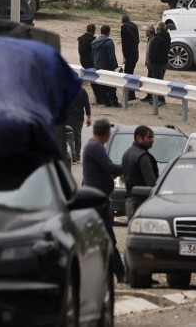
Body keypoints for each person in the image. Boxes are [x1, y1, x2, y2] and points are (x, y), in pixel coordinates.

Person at [80, 118, 127, 282]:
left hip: (98, 199)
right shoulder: (95, 147)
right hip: (96, 201)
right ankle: (120, 274)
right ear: (107, 133)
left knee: (106, 239)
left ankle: (116, 273)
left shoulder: (93, 147)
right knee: (106, 238)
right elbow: (110, 168)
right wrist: (127, 166)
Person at [122, 125, 159, 219]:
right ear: (139, 138)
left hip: (130, 202)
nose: (152, 140)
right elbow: (151, 183)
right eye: (149, 137)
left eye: (153, 137)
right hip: (142, 204)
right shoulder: (143, 157)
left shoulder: (127, 153)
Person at [142, 23, 171, 106]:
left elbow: (154, 52)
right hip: (161, 62)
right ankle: (151, 96)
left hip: (157, 63)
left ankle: (161, 99)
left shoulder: (158, 39)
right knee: (154, 80)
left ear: (158, 29)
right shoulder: (166, 37)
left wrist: (152, 61)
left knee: (158, 82)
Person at [91, 24, 119, 107]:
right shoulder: (109, 43)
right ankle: (114, 101)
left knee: (101, 85)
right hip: (107, 66)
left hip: (97, 65)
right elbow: (111, 56)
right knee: (111, 86)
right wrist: (114, 65)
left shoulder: (94, 42)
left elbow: (92, 55)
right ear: (108, 32)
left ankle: (106, 101)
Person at [64, 86, 92, 164]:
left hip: (67, 118)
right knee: (77, 137)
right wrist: (89, 117)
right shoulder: (82, 91)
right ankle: (78, 157)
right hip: (79, 118)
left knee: (70, 137)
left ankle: (74, 157)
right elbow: (87, 104)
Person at [121, 14, 140, 100]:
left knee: (128, 74)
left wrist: (125, 56)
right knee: (131, 73)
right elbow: (138, 40)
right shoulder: (134, 26)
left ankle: (130, 95)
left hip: (129, 55)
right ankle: (131, 94)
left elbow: (124, 44)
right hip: (135, 53)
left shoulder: (124, 28)